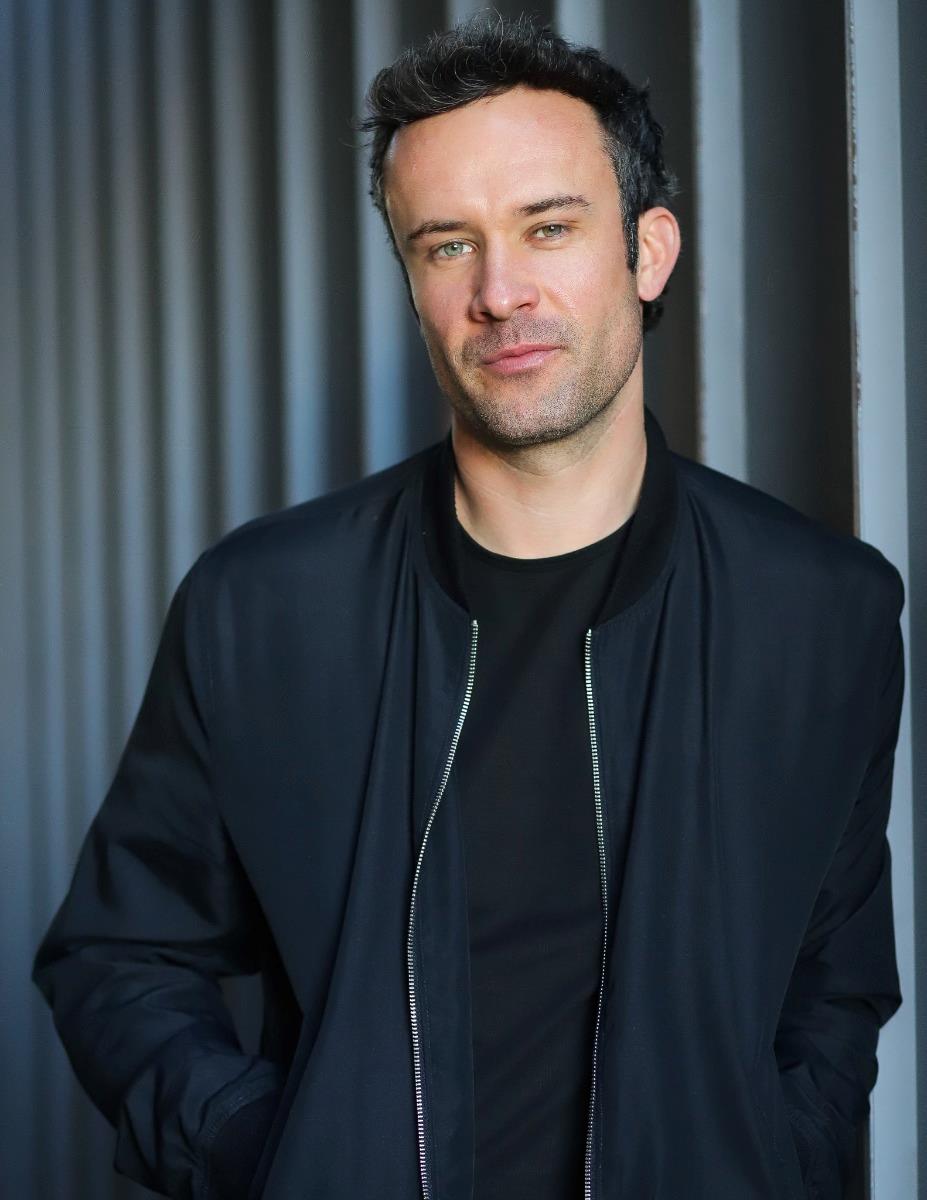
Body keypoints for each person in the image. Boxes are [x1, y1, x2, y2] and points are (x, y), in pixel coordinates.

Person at [34, 14, 905, 1200]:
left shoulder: (822, 616)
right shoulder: (263, 610)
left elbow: (833, 985)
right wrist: (268, 1156)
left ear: (648, 251)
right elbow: (119, 955)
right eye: (448, 245)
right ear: (412, 282)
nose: (500, 292)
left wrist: (774, 1161)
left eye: (549, 226)